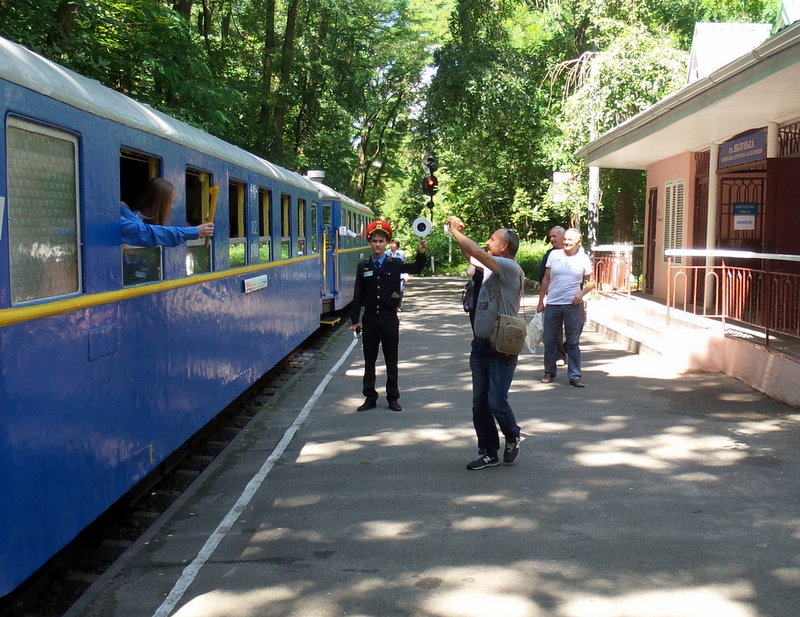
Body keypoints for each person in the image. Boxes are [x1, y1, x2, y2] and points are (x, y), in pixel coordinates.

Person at [446, 216, 524, 471]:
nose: (487, 242)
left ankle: (512, 434)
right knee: (480, 404)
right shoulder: (492, 267)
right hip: (480, 346)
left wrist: (455, 231)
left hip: (501, 348)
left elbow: (476, 251)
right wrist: (459, 239)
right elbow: (471, 255)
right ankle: (488, 452)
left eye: (493, 239)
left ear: (504, 247)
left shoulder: (510, 268)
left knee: (496, 401)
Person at [350, 221, 427, 412]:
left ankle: (393, 397)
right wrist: (355, 320)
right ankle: (370, 396)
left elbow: (416, 269)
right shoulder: (363, 266)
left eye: (381, 241)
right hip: (370, 319)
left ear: (387, 242)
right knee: (369, 359)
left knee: (391, 358)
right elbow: (357, 294)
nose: (377, 244)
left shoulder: (395, 263)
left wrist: (421, 253)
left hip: (389, 318)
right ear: (369, 242)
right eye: (374, 241)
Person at [537, 227, 595, 387]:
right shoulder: (554, 255)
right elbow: (546, 279)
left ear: (578, 242)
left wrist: (580, 295)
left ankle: (575, 375)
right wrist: (541, 300)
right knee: (549, 340)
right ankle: (549, 372)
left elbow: (592, 281)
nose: (566, 242)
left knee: (573, 342)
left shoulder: (583, 258)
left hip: (572, 305)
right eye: (565, 239)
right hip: (553, 304)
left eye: (570, 240)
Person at [121, 178, 214, 247]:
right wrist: (195, 231)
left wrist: (200, 228)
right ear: (160, 203)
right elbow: (147, 233)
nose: (172, 206)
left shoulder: (141, 218)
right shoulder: (134, 219)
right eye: (170, 202)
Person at [538, 226, 567, 366]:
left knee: (575, 329)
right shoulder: (549, 255)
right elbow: (543, 278)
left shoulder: (577, 253)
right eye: (551, 236)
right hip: (553, 299)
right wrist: (541, 299)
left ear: (563, 237)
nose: (552, 239)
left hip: (572, 299)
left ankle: (566, 348)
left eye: (555, 236)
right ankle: (558, 356)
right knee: (554, 331)